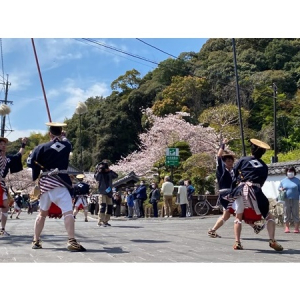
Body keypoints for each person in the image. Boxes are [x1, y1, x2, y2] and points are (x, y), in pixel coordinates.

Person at [27, 122, 86, 251]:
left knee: (42, 214)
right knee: (68, 212)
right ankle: (71, 240)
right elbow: (67, 143)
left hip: (45, 184)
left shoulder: (40, 147)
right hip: (59, 182)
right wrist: (64, 137)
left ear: (49, 134)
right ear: (61, 133)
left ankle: (36, 240)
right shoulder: (65, 145)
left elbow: (30, 162)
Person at [229, 138, 283, 251]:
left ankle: (237, 242)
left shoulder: (243, 160)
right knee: (269, 216)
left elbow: (233, 174)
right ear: (262, 153)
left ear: (251, 149)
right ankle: (272, 240)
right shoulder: (264, 166)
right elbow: (261, 182)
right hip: (255, 190)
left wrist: (235, 186)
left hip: (240, 190)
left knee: (238, 217)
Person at [208, 138, 264, 238]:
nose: (230, 162)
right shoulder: (221, 170)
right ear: (224, 162)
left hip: (234, 193)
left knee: (233, 213)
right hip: (226, 194)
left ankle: (213, 230)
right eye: (228, 161)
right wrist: (223, 145)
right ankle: (254, 226)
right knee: (236, 212)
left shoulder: (235, 171)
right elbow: (219, 156)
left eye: (231, 161)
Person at [0, 136, 27, 236]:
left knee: (5, 207)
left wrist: (23, 144)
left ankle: (2, 229)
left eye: (4, 144)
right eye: (1, 144)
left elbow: (19, 155)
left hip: (2, 184)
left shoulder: (8, 159)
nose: (3, 146)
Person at [94, 160, 118, 227]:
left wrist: (109, 170)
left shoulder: (109, 173)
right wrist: (99, 170)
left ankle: (106, 221)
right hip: (102, 192)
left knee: (110, 207)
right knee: (102, 206)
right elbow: (96, 178)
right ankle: (100, 221)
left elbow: (116, 176)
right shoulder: (100, 173)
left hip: (109, 192)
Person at [278, 166, 300, 233]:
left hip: (295, 199)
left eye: (291, 171)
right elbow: (279, 188)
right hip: (286, 199)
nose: (290, 172)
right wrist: (281, 189)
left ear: (294, 172)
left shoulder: (298, 181)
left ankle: (296, 228)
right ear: (286, 172)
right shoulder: (283, 181)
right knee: (286, 213)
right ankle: (287, 228)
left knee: (295, 213)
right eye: (289, 171)